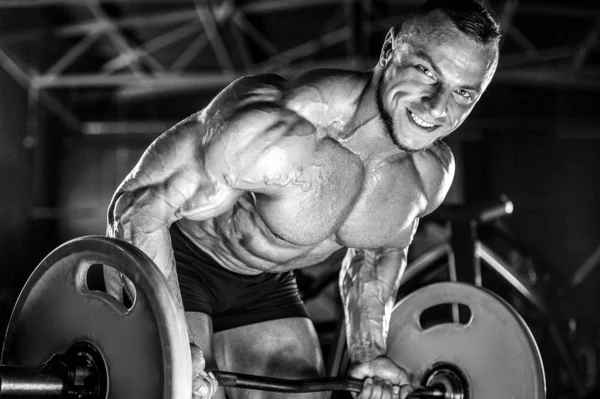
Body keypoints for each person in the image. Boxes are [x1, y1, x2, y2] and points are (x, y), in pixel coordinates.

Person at [105, 1, 500, 398]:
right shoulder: (280, 125)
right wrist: (171, 341)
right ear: (389, 51)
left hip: (266, 284)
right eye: (427, 72)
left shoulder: (429, 175)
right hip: (182, 261)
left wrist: (369, 350)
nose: (437, 107)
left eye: (463, 93)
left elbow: (377, 253)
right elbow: (139, 206)